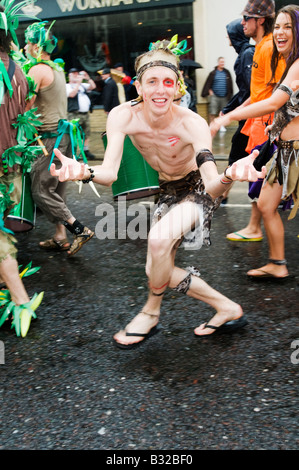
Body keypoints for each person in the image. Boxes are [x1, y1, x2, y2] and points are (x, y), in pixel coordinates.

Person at [50, 42, 267, 348]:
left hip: (199, 188)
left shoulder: (192, 123)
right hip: (168, 191)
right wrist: (83, 172)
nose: (160, 90)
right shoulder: (122, 116)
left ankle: (150, 313)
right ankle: (227, 308)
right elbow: (110, 172)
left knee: (158, 240)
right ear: (137, 85)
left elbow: (212, 183)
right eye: (152, 82)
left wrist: (230, 174)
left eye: (168, 82)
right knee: (157, 268)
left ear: (178, 86)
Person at [210, 4, 299, 280]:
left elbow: (272, 102)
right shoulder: (287, 65)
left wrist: (227, 117)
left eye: (289, 27)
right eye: (279, 27)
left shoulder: (298, 65)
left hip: (297, 153)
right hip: (283, 151)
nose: (281, 33)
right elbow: (285, 106)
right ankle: (277, 263)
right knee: (265, 205)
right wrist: (278, 124)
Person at [24, 21, 94, 256]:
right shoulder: (55, 67)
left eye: (28, 42)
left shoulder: (37, 70)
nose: (25, 46)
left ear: (36, 46)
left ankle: (78, 229)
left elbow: (25, 105)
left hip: (49, 138)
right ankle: (60, 236)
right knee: (56, 189)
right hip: (63, 136)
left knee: (41, 190)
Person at [0, 1, 43, 338]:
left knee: (0, 243)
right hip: (11, 165)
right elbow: (23, 121)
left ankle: (22, 301)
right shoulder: (20, 72)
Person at [220, 18, 255, 203]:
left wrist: (233, 112)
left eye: (229, 35)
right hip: (248, 115)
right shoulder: (244, 53)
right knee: (241, 155)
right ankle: (224, 195)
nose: (228, 39)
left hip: (252, 116)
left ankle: (223, 195)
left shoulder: (247, 54)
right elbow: (244, 92)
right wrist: (227, 109)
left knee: (238, 155)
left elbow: (252, 91)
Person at [66, 67, 97, 160]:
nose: (76, 75)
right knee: (73, 133)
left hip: (85, 114)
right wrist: (78, 82)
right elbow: (71, 94)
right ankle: (73, 152)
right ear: (69, 76)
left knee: (86, 133)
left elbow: (93, 86)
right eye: (73, 74)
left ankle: (85, 151)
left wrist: (88, 78)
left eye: (77, 73)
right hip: (74, 114)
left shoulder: (82, 85)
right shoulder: (67, 86)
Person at [201, 56, 233, 127]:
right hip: (214, 96)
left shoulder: (227, 73)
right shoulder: (213, 73)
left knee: (223, 113)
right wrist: (209, 91)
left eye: (223, 62)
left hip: (224, 97)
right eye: (221, 62)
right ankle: (211, 126)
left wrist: (230, 95)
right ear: (218, 63)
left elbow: (230, 84)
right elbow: (208, 83)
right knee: (212, 111)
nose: (222, 63)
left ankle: (221, 126)